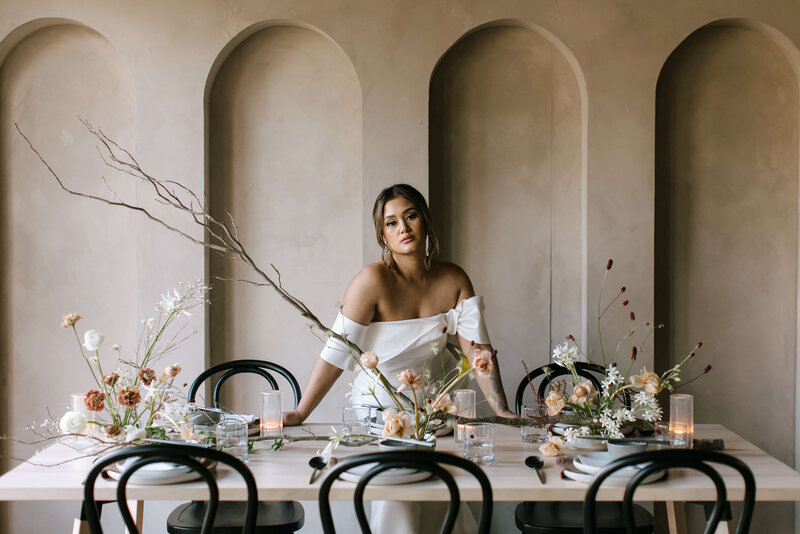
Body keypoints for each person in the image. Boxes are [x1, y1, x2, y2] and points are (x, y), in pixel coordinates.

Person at [282, 183, 515, 532]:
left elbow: (478, 351)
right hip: (382, 411)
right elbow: (335, 354)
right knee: (402, 491)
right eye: (391, 223)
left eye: (410, 216)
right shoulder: (370, 281)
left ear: (425, 221)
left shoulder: (453, 277)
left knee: (445, 492)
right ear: (382, 235)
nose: (403, 228)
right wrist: (301, 412)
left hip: (438, 411)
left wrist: (500, 409)